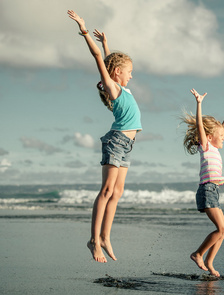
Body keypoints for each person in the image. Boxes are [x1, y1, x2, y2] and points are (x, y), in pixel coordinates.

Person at [68, 10, 142, 263]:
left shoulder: (123, 86)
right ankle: (93, 239)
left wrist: (106, 43)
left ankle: (106, 237)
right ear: (118, 72)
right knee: (107, 190)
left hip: (127, 144)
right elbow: (100, 59)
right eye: (129, 71)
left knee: (117, 192)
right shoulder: (113, 87)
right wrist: (84, 30)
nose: (132, 75)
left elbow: (109, 60)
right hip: (116, 140)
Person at [181, 89, 224, 277]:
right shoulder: (205, 145)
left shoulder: (215, 145)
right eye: (221, 136)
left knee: (223, 231)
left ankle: (209, 262)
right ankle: (198, 254)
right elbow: (200, 127)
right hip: (206, 191)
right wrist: (199, 103)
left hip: (213, 191)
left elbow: (223, 130)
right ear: (210, 137)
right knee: (221, 229)